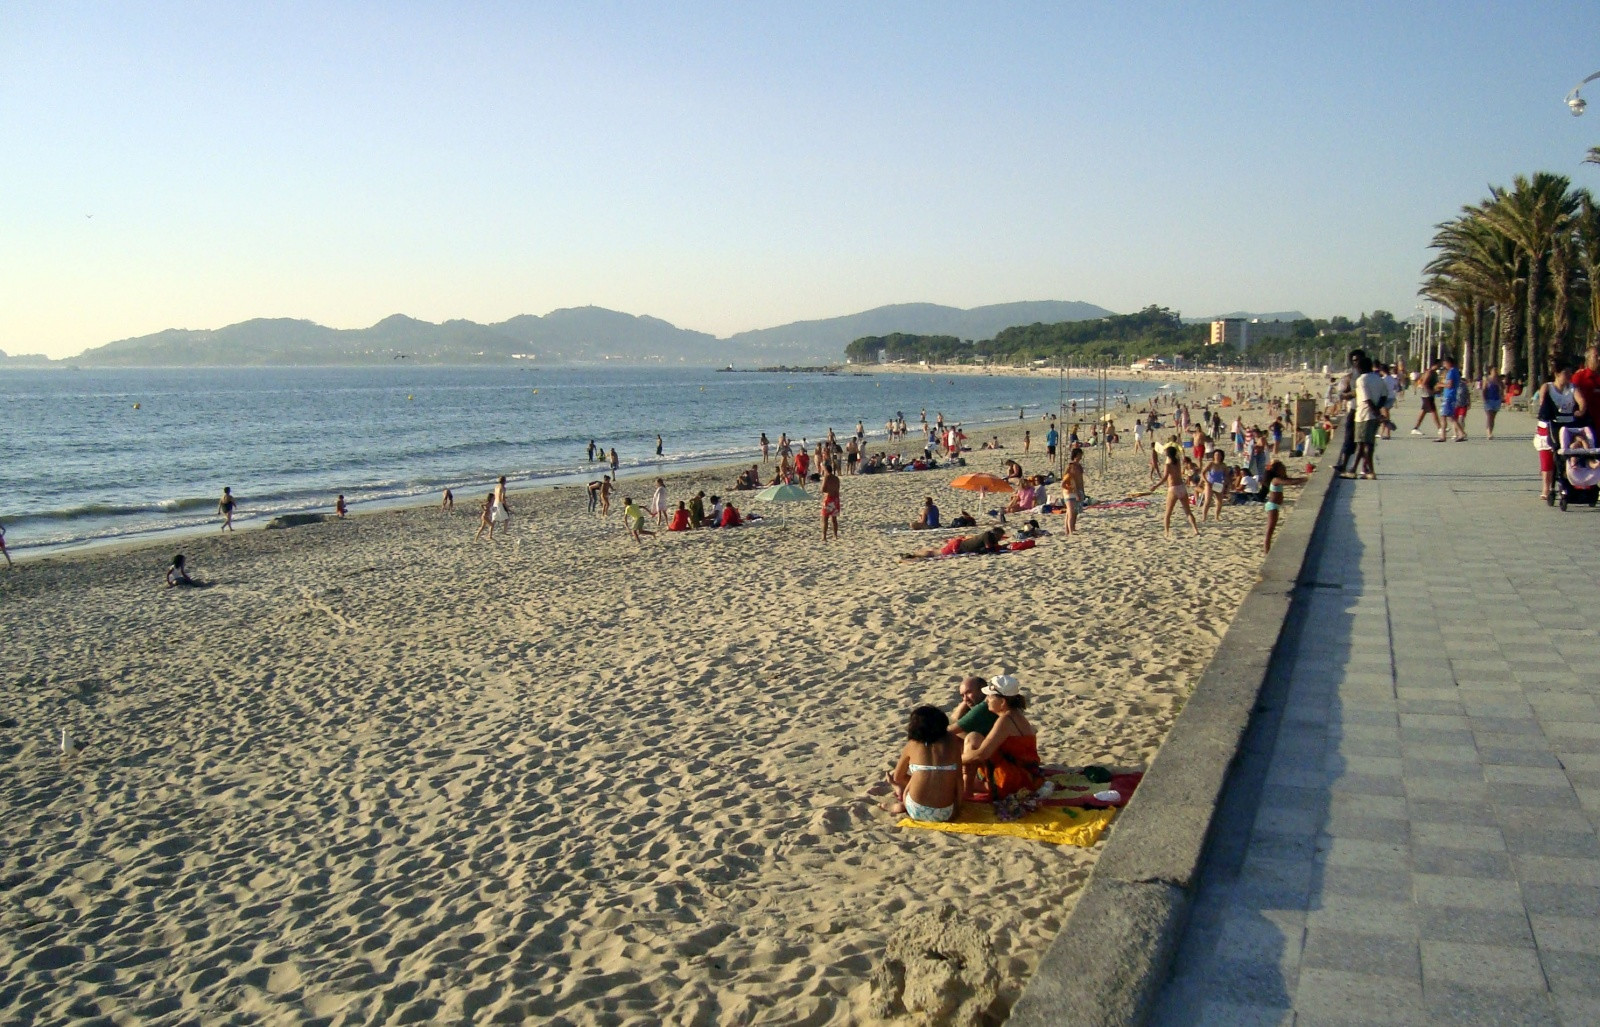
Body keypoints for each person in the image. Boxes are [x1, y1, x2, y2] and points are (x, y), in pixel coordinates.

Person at [960, 675, 1043, 800]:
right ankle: (968, 788)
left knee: (972, 740)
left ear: (1003, 702)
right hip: (1027, 775)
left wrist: (957, 760)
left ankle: (967, 792)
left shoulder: (1005, 720)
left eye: (990, 697)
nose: (987, 700)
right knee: (974, 738)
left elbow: (981, 754)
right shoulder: (1015, 715)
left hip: (1018, 780)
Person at [886, 705, 963, 821]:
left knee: (899, 775)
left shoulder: (912, 745)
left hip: (915, 809)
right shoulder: (952, 742)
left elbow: (897, 777)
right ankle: (905, 793)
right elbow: (959, 779)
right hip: (946, 813)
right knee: (934, 775)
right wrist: (958, 808)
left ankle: (900, 800)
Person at [1536, 366, 1585, 501]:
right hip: (1549, 425)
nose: (1569, 375)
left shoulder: (1573, 388)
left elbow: (1581, 402)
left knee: (1566, 453)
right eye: (1566, 373)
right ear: (1556, 374)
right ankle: (1546, 488)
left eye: (1571, 372)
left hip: (1567, 425)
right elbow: (1543, 403)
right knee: (1547, 457)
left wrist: (1580, 411)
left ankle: (1569, 482)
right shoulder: (1548, 387)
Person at [1350, 354, 1392, 479]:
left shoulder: (1362, 380)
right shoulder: (1378, 378)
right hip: (1373, 417)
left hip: (1364, 415)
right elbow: (1384, 396)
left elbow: (1367, 399)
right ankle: (1356, 470)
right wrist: (1378, 410)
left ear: (1361, 368)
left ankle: (1368, 471)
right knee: (1368, 444)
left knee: (1362, 444)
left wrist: (1376, 412)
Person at [1261, 460, 1307, 553]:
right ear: (1277, 470)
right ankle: (1266, 552)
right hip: (1272, 506)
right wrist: (1305, 479)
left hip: (1274, 506)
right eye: (1282, 469)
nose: (1284, 470)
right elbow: (1290, 482)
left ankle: (1267, 550)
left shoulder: (1278, 479)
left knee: (1271, 530)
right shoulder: (1275, 480)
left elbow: (1290, 480)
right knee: (1269, 531)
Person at [901, 527, 1006, 561]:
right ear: (996, 534)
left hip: (960, 544)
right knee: (935, 553)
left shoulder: (991, 537)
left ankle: (915, 553)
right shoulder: (987, 535)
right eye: (1000, 536)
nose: (1000, 538)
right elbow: (989, 549)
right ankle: (914, 555)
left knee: (936, 550)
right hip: (959, 547)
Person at [1411, 359, 1442, 436]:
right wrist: (1430, 391)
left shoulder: (1434, 373)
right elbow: (1424, 383)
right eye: (1439, 364)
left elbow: (1436, 383)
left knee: (1423, 412)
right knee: (1433, 411)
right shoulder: (1429, 372)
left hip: (1430, 394)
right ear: (1435, 364)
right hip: (1426, 394)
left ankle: (1415, 428)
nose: (1440, 366)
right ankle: (1440, 428)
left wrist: (1439, 388)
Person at [1201, 448, 1229, 521]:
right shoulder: (1211, 464)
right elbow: (1203, 473)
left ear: (1221, 456)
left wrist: (1225, 483)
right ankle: (1204, 517)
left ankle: (1217, 517)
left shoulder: (1223, 465)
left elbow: (1226, 475)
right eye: (1216, 455)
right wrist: (1206, 481)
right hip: (1210, 483)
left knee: (1219, 501)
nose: (1217, 456)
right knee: (1208, 501)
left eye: (1219, 455)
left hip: (1218, 484)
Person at [1482, 368, 1504, 439]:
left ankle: (1491, 431)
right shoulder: (1487, 380)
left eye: (1496, 371)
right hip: (1489, 400)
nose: (1495, 372)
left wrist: (1500, 385)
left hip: (1496, 400)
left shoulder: (1498, 380)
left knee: (1493, 417)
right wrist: (1484, 399)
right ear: (1490, 372)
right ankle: (1488, 433)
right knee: (1489, 416)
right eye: (1494, 371)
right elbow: (1484, 389)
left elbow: (1503, 388)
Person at [821, 465, 841, 541]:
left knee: (824, 518)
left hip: (828, 498)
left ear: (826, 470)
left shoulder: (827, 477)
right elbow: (837, 489)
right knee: (834, 519)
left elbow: (823, 489)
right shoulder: (836, 478)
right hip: (835, 499)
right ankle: (835, 535)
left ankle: (824, 536)